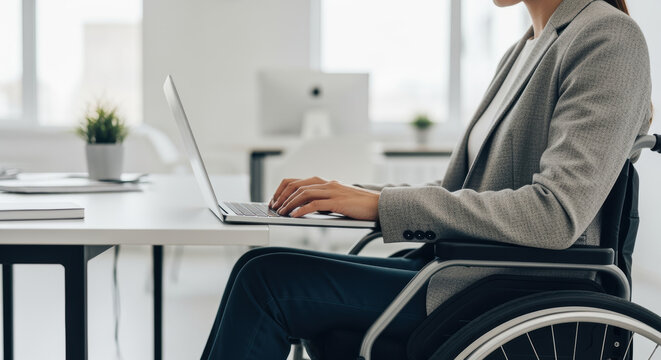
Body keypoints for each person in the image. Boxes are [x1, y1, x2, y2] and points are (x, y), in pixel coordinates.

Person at [203, 0, 653, 358]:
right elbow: (462, 192)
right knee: (256, 264)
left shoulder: (607, 37)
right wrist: (356, 195)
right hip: (460, 268)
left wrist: (380, 208)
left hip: (507, 286)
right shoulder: (522, 50)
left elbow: (555, 214)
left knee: (266, 279)